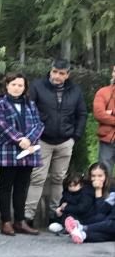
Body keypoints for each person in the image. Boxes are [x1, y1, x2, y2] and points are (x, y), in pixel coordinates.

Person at [24, 59, 87, 226]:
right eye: (55, 72)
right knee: (37, 178)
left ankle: (55, 215)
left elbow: (82, 114)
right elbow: (28, 111)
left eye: (61, 73)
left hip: (66, 140)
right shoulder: (38, 86)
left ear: (67, 75)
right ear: (50, 71)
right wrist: (32, 135)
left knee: (59, 179)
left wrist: (75, 137)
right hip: (42, 140)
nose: (57, 76)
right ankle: (28, 216)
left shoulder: (75, 90)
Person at [0, 72, 44, 236]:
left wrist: (29, 140)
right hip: (8, 149)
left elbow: (39, 124)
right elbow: (1, 124)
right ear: (7, 86)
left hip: (28, 150)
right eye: (13, 84)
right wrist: (19, 139)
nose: (17, 88)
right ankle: (6, 221)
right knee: (6, 186)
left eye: (20, 85)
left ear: (25, 87)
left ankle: (20, 221)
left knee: (22, 187)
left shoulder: (30, 104)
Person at [65, 163, 115, 243]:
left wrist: (98, 190)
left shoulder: (112, 189)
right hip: (93, 219)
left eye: (100, 176)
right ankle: (81, 231)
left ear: (106, 176)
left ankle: (82, 232)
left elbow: (102, 210)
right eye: (93, 176)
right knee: (103, 221)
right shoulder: (86, 187)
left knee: (109, 228)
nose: (96, 179)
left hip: (107, 220)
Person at [93, 63, 115, 171]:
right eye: (114, 71)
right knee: (104, 174)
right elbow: (99, 114)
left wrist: (111, 113)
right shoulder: (103, 92)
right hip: (107, 140)